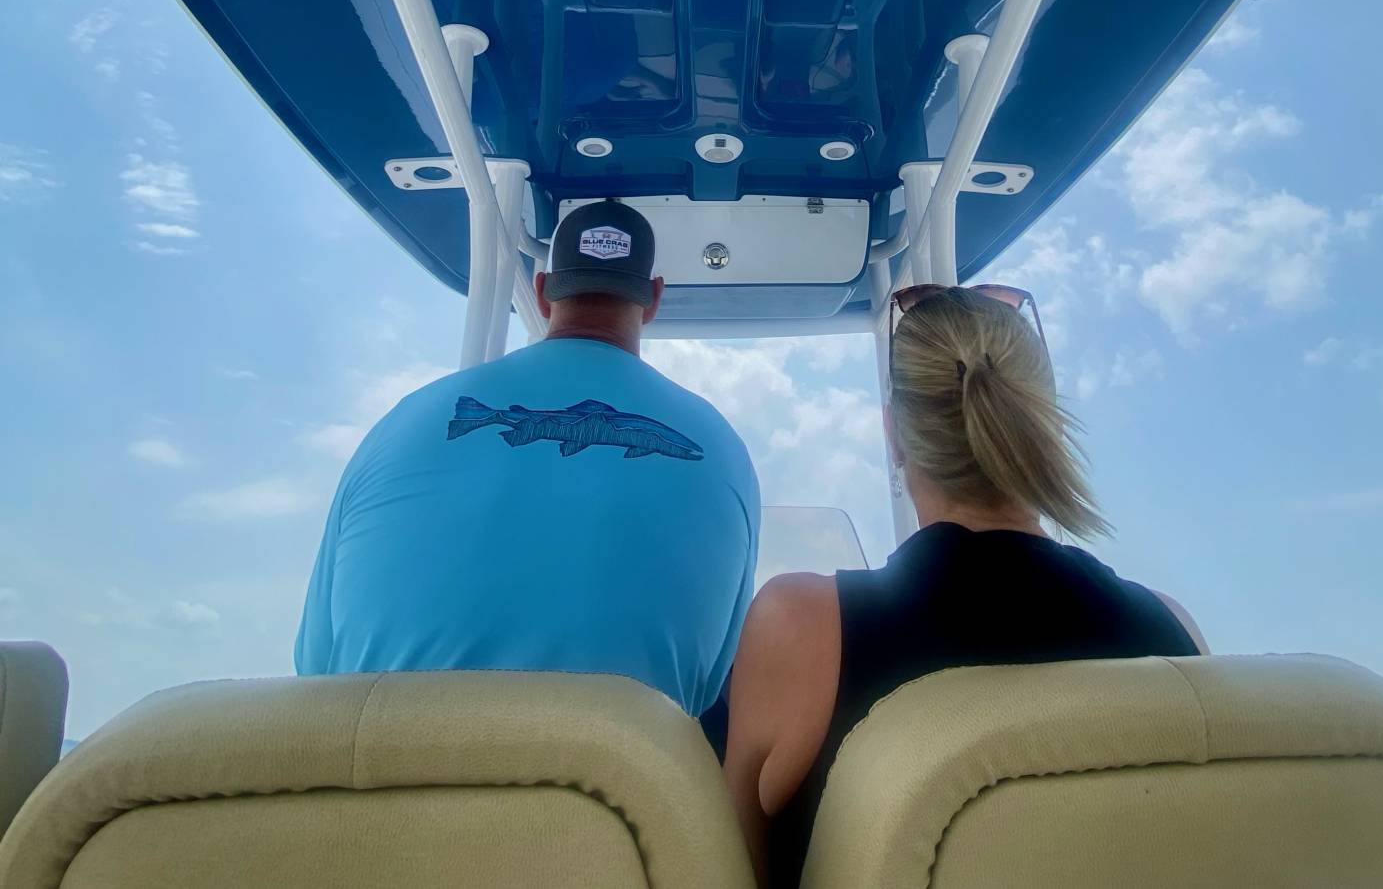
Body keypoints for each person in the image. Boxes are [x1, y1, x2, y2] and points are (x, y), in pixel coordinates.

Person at [723, 283, 1205, 886]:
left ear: (895, 436)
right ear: (1041, 423)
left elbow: (726, 866)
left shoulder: (800, 627)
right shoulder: (1175, 635)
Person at [295, 200, 760, 720]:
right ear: (653, 298)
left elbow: (316, 664)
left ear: (541, 292)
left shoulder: (404, 419)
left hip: (387, 782)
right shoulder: (721, 447)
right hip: (612, 789)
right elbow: (714, 677)